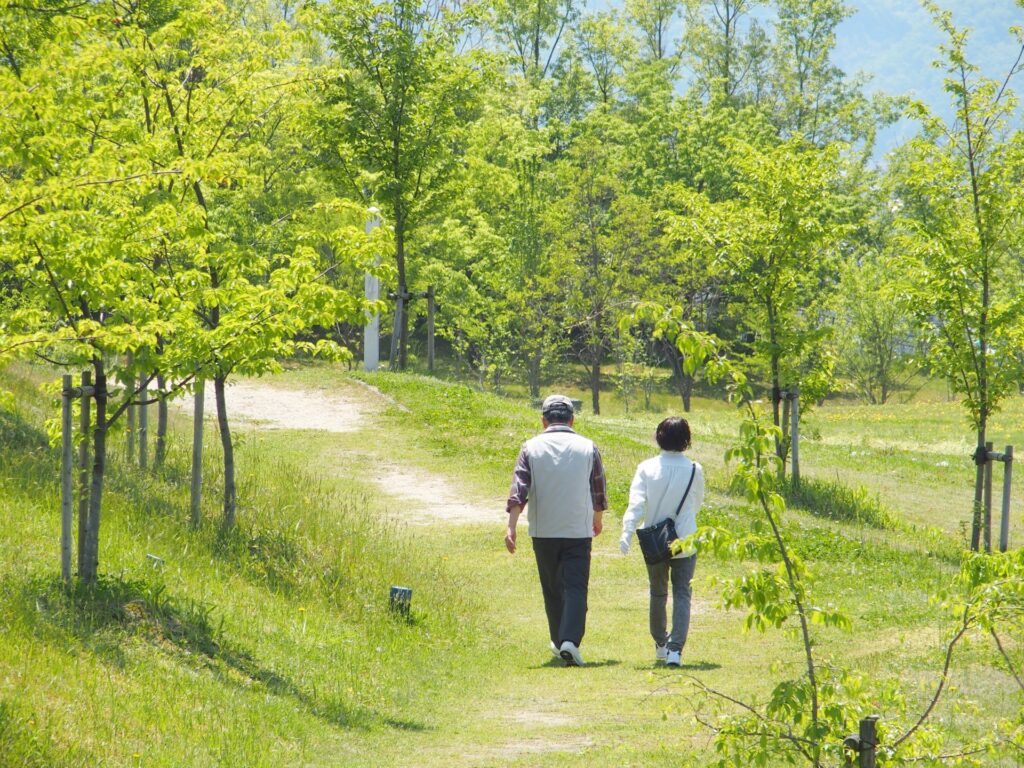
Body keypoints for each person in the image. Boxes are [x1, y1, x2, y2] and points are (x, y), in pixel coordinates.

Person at [505, 394, 608, 667]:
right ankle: (569, 641)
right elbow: (598, 488)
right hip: (577, 528)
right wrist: (597, 518)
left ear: (543, 421)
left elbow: (519, 490)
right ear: (572, 420)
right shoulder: (588, 447)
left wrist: (511, 527)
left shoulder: (530, 447)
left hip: (544, 529)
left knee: (552, 588)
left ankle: (560, 639)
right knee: (575, 587)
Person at [619, 417, 704, 668]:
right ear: (686, 439)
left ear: (659, 436)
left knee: (658, 592)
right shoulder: (694, 469)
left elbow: (636, 504)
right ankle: (675, 650)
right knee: (682, 594)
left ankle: (660, 644)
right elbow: (696, 503)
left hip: (655, 540)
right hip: (685, 538)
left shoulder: (647, 467)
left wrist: (627, 531)